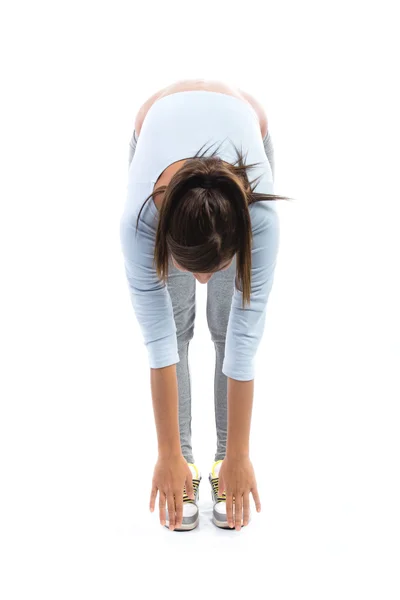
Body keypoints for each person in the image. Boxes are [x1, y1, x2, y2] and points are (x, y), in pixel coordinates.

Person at [119, 79, 291, 532]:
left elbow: (244, 339)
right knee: (174, 326)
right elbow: (158, 343)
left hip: (243, 119)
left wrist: (239, 456)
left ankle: (221, 465)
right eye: (190, 266)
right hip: (154, 130)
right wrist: (166, 456)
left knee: (225, 323)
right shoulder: (139, 223)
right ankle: (185, 466)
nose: (202, 279)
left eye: (214, 267)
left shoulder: (262, 224)